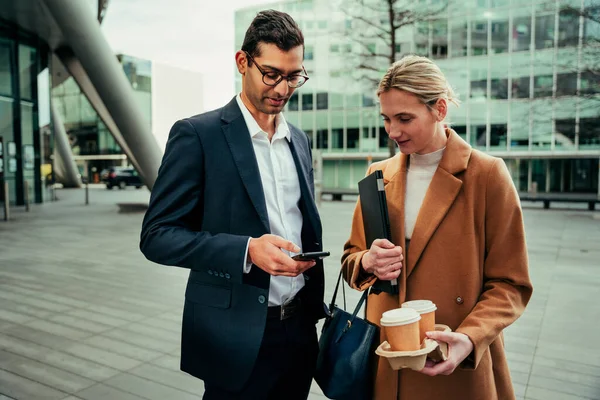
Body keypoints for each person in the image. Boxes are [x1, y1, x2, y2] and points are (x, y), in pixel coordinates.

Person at [140, 10, 325, 400]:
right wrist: (246, 251)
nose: (283, 88)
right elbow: (157, 236)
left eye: (294, 76)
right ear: (243, 62)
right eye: (271, 74)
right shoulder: (197, 135)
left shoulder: (300, 141)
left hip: (298, 330)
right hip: (236, 338)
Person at [341, 55, 533, 400]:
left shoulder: (487, 175)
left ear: (440, 109)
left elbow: (511, 283)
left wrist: (471, 338)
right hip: (387, 363)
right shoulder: (378, 175)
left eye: (404, 118)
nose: (392, 131)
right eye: (386, 119)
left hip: (455, 361)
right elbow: (352, 259)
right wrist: (367, 262)